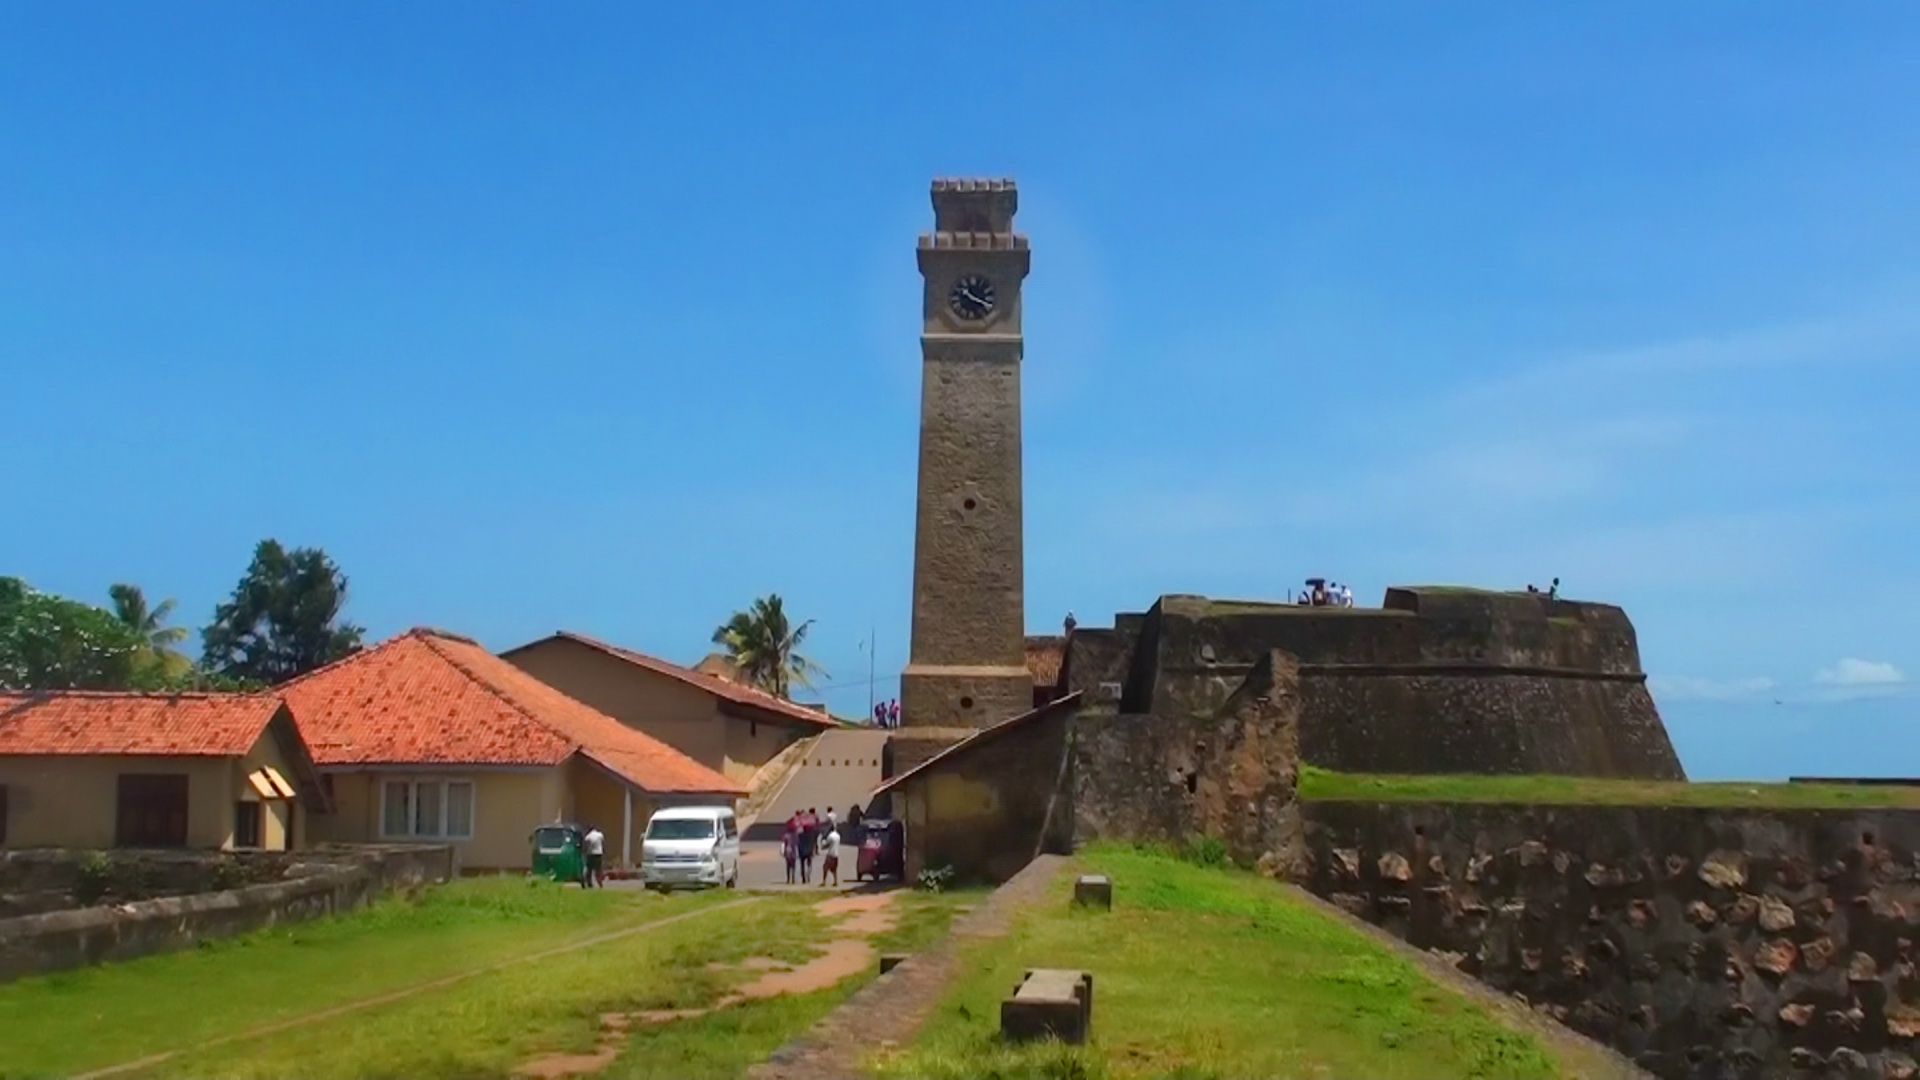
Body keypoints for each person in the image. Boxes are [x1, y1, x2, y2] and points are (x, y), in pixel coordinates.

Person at [798, 807, 818, 884]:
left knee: (802, 864)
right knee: (809, 864)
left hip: (802, 851)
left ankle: (803, 877)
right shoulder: (811, 835)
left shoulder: (800, 835)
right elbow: (813, 843)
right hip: (809, 850)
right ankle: (808, 875)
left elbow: (798, 842)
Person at [582, 824, 605, 888]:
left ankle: (589, 883)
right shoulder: (600, 835)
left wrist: (584, 852)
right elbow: (602, 842)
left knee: (589, 870)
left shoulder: (588, 837)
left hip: (591, 854)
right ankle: (600, 883)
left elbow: (585, 846)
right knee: (598, 870)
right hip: (599, 854)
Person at [780, 820, 798, 885]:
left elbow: (783, 844)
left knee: (788, 866)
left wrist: (782, 851)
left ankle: (788, 879)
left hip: (788, 851)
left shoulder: (786, 835)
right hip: (794, 851)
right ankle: (793, 878)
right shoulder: (796, 835)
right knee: (794, 865)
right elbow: (797, 843)